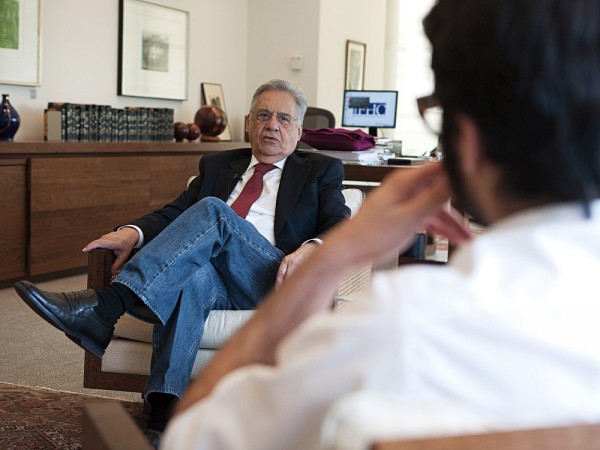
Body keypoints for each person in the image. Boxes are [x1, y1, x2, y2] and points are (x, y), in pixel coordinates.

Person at [159, 0, 600, 449]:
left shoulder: (401, 328)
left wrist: (332, 257)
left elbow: (192, 439)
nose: (272, 127)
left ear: (466, 142)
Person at [14, 79, 351, 446]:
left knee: (214, 212)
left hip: (271, 275)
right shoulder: (219, 164)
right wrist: (131, 232)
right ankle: (163, 415)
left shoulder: (320, 170)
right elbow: (175, 213)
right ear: (248, 123)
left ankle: (107, 306)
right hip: (218, 279)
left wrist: (312, 247)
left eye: (284, 119)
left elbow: (340, 221)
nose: (273, 125)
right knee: (192, 278)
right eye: (263, 115)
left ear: (299, 129)